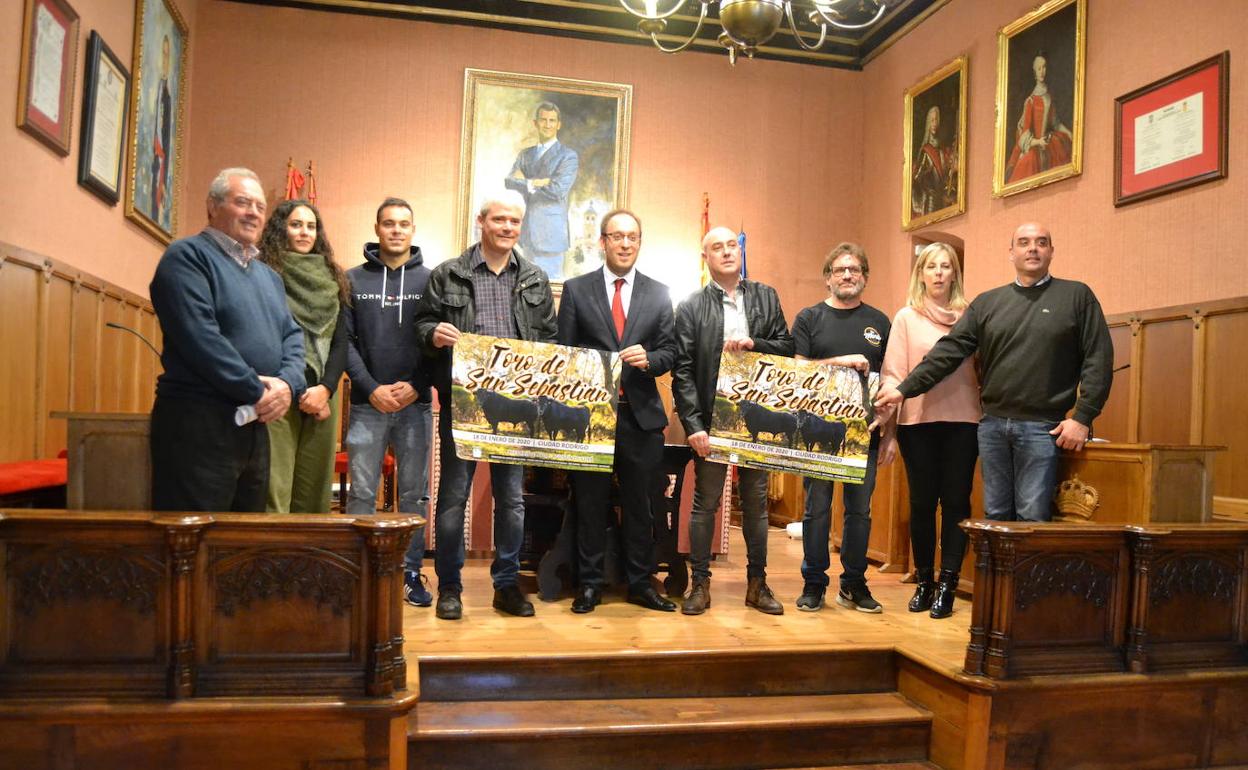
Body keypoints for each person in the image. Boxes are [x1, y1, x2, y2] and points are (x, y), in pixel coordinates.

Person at [875, 222, 1114, 524]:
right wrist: (903, 390)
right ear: (1011, 253)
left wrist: (1082, 417)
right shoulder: (988, 303)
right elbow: (949, 351)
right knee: (995, 518)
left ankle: (1025, 575)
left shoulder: (1077, 296)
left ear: (1051, 252)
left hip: (1043, 428)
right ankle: (998, 575)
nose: (1033, 248)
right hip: (992, 427)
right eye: (1024, 242)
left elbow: (1098, 359)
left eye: (1041, 242)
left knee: (1032, 518)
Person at [415, 189, 558, 620]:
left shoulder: (533, 278)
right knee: (453, 499)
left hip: (515, 411)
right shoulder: (449, 274)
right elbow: (422, 324)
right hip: (464, 406)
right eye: (500, 220)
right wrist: (432, 334)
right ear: (482, 221)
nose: (508, 228)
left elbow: (549, 340)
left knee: (512, 502)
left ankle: (507, 586)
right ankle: (450, 588)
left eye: (515, 222)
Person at [149, 168, 304, 512]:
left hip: (254, 429)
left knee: (243, 545)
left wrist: (287, 387)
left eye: (260, 207)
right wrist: (260, 391)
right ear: (212, 206)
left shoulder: (269, 277)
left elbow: (293, 336)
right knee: (193, 546)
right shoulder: (186, 258)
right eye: (242, 202)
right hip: (198, 426)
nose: (253, 213)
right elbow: (201, 340)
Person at [556, 209, 677, 614]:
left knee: (642, 505)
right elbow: (565, 354)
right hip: (592, 417)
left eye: (633, 237)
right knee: (590, 502)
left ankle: (640, 583)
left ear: (639, 243)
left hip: (640, 415)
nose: (626, 243)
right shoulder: (576, 289)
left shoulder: (659, 292)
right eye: (618, 236)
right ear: (602, 242)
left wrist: (652, 359)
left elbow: (671, 351)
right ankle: (589, 584)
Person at [672, 226, 794, 616]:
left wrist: (754, 344)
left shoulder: (765, 296)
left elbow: (787, 348)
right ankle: (699, 584)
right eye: (717, 247)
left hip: (757, 419)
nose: (726, 252)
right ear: (705, 257)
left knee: (757, 507)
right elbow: (684, 370)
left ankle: (757, 585)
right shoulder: (691, 307)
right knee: (704, 504)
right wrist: (694, 425)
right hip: (711, 419)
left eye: (732, 245)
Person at [791, 243, 893, 614]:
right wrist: (841, 362)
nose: (847, 275)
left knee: (859, 512)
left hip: (864, 435)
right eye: (840, 270)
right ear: (828, 278)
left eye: (854, 270)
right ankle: (814, 583)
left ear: (865, 277)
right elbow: (798, 371)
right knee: (816, 510)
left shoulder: (881, 322)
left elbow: (890, 382)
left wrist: (891, 434)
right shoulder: (809, 318)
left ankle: (853, 584)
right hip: (817, 433)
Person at [880, 242, 979, 619]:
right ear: (920, 274)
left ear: (955, 273)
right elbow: (894, 373)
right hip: (917, 422)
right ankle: (924, 581)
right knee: (922, 504)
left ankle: (948, 585)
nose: (938, 273)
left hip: (963, 421)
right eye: (931, 266)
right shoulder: (906, 316)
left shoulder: (971, 316)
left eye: (945, 266)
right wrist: (889, 429)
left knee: (956, 502)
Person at [344, 198, 434, 607]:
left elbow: (439, 345)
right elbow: (343, 343)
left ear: (413, 231)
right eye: (389, 224)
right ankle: (357, 569)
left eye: (404, 224)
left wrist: (417, 385)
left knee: (413, 495)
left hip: (415, 405)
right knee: (361, 494)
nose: (396, 230)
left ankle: (410, 571)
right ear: (376, 228)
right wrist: (370, 386)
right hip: (367, 403)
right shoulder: (351, 280)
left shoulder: (434, 281)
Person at [257, 199, 350, 515]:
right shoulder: (263, 272)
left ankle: (308, 561)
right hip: (278, 389)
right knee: (275, 485)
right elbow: (264, 338)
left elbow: (341, 342)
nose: (304, 232)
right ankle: (273, 560)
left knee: (314, 488)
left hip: (323, 393)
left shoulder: (334, 277)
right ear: (281, 228)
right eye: (296, 224)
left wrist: (325, 389)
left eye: (311, 226)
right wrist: (295, 389)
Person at [504, 101, 579, 279]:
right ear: (535, 123)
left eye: (552, 120)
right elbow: (509, 181)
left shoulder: (568, 156)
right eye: (543, 120)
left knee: (547, 291)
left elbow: (557, 190)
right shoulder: (525, 154)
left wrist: (526, 182)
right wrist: (536, 183)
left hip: (551, 236)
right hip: (526, 234)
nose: (547, 124)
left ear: (558, 124)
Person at [1004, 53, 1073, 184]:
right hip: (1034, 145)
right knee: (1028, 162)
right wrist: (1038, 142)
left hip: (1047, 143)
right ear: (1034, 72)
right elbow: (1024, 134)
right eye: (1039, 68)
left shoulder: (1048, 97)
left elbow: (1055, 123)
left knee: (1062, 145)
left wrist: (1069, 133)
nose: (1042, 71)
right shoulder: (1030, 101)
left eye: (1044, 67)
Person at [912, 105, 957, 216]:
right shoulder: (926, 150)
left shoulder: (942, 150)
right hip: (930, 198)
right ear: (928, 123)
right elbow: (918, 176)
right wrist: (926, 175)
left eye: (936, 120)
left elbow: (946, 174)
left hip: (942, 198)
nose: (934, 123)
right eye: (932, 120)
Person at [149, 35, 173, 224]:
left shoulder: (168, 96)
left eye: (167, 55)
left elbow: (167, 141)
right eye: (163, 54)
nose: (164, 60)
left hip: (162, 162)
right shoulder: (158, 90)